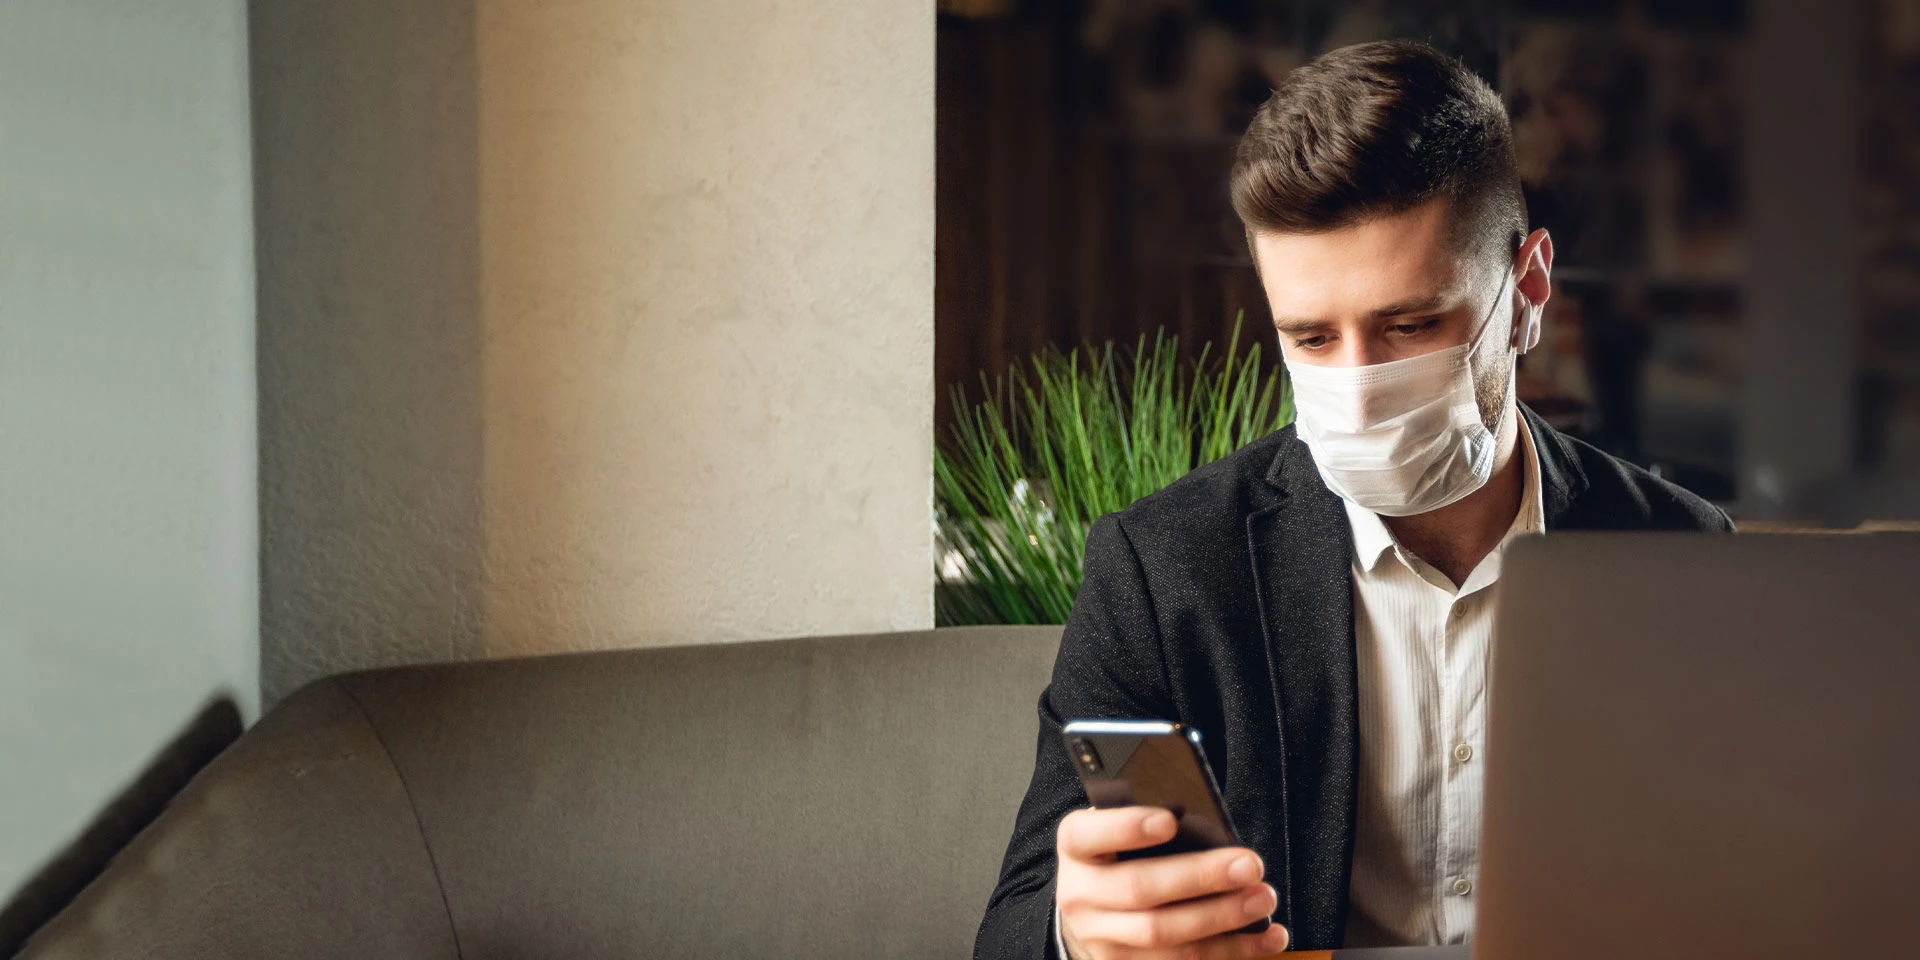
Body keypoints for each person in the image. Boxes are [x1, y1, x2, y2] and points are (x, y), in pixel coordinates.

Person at [973, 39, 1732, 960]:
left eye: (1410, 324)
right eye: (1311, 338)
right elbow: (1013, 928)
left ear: (1528, 291)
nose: (1361, 390)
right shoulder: (1165, 571)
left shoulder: (1682, 553)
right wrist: (1079, 929)